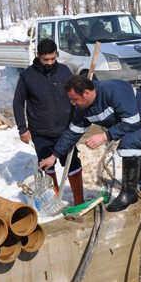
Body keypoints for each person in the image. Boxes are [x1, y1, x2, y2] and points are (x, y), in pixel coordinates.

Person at [39, 76, 141, 212]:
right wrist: (54, 156)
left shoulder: (114, 89)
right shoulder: (83, 110)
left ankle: (129, 193)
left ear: (86, 93)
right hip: (139, 130)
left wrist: (104, 136)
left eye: (74, 99)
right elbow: (72, 133)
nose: (72, 103)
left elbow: (132, 122)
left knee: (129, 144)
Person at [13, 39, 84, 205]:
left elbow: (76, 93)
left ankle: (79, 200)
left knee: (73, 163)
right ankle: (54, 200)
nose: (50, 62)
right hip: (41, 131)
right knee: (47, 166)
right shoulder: (27, 76)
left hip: (65, 130)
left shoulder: (64, 71)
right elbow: (18, 102)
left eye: (53, 58)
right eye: (46, 59)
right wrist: (22, 128)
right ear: (38, 56)